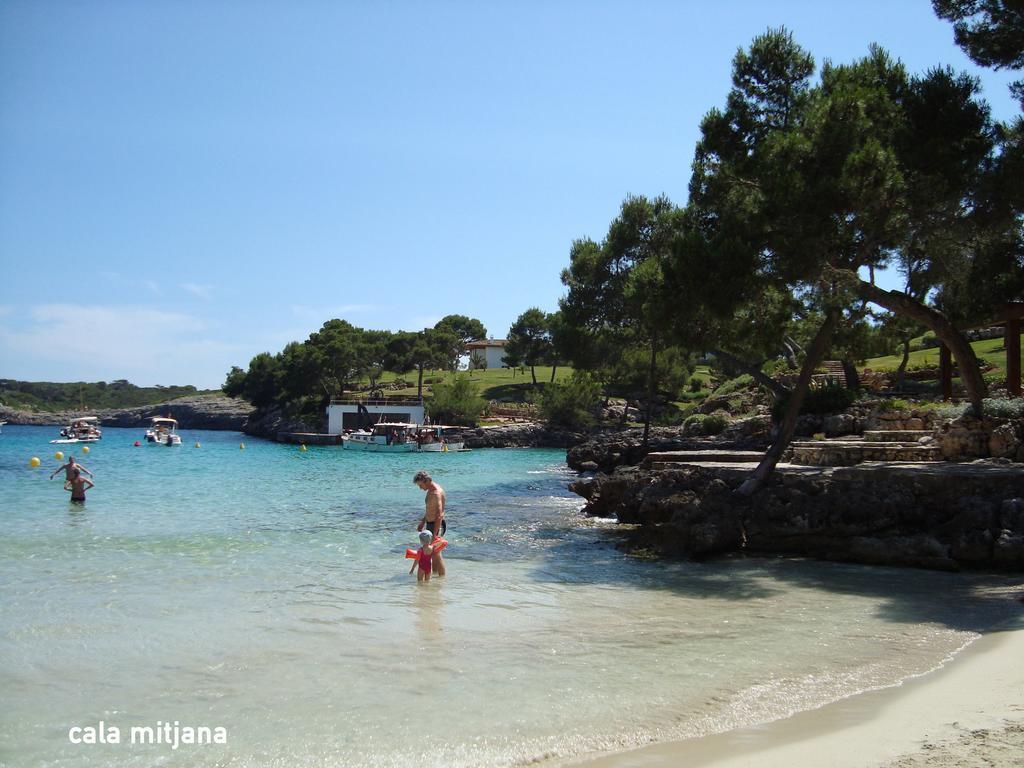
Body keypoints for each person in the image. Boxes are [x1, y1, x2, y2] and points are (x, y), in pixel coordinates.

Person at [414, 470, 446, 576]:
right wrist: (423, 522)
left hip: (436, 524)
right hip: (430, 523)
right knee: (433, 553)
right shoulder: (430, 489)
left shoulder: (436, 493)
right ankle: (435, 576)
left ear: (427, 481)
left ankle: (441, 579)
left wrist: (435, 535)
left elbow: (439, 515)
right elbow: (430, 509)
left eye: (420, 485)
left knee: (436, 553)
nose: (420, 488)